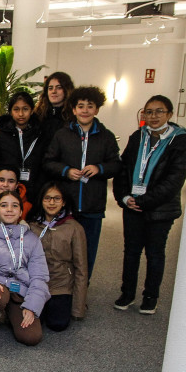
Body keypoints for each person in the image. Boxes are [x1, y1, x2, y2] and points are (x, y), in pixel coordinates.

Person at [112, 95, 186, 315]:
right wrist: (124, 197)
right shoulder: (138, 136)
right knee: (131, 252)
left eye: (159, 111)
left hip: (160, 210)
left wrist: (143, 201)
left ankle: (150, 296)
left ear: (169, 114)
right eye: (148, 111)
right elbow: (123, 169)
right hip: (132, 206)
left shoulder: (180, 140)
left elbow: (174, 181)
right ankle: (127, 293)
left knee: (155, 253)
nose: (153, 116)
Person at [43, 86, 121, 278]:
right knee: (62, 251)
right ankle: (61, 291)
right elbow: (48, 162)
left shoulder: (106, 136)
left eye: (90, 106)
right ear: (73, 109)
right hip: (65, 204)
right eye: (80, 106)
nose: (85, 110)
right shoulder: (62, 135)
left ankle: (81, 293)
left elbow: (116, 165)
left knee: (87, 253)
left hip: (93, 205)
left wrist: (99, 169)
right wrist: (66, 171)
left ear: (97, 109)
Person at [0, 190, 50, 345]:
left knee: (31, 337)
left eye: (15, 206)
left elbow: (40, 277)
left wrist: (32, 307)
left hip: (20, 290)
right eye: (4, 205)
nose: (10, 209)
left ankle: (11, 312)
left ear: (20, 211)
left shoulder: (33, 240)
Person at [27, 181, 87, 331]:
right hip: (35, 282)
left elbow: (81, 268)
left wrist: (78, 308)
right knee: (32, 323)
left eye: (57, 198)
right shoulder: (31, 225)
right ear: (41, 201)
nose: (51, 202)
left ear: (64, 201)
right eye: (47, 198)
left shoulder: (74, 228)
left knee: (57, 324)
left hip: (61, 284)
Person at [0, 91, 47, 204]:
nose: (20, 114)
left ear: (31, 110)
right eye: (16, 109)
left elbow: (44, 163)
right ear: (10, 111)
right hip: (7, 191)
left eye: (25, 109)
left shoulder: (40, 135)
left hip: (34, 191)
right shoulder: (1, 136)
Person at [34, 71, 75, 148]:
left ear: (67, 90)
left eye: (59, 88)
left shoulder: (73, 117)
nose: (54, 91)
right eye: (50, 88)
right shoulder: (38, 115)